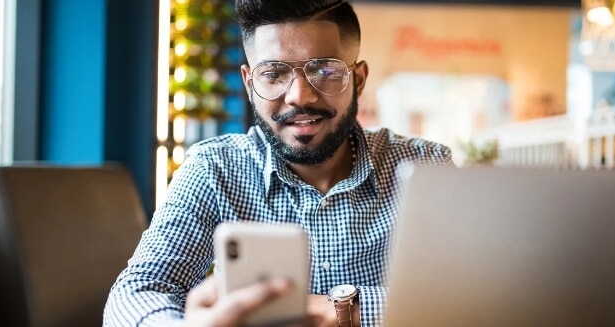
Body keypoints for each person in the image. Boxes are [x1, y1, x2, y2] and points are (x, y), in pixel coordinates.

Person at [103, 0, 454, 326]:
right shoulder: (214, 169)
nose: (300, 96)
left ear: (358, 80)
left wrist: (337, 309)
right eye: (273, 74)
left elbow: (479, 296)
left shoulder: (426, 165)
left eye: (326, 71)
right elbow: (135, 293)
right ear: (249, 83)